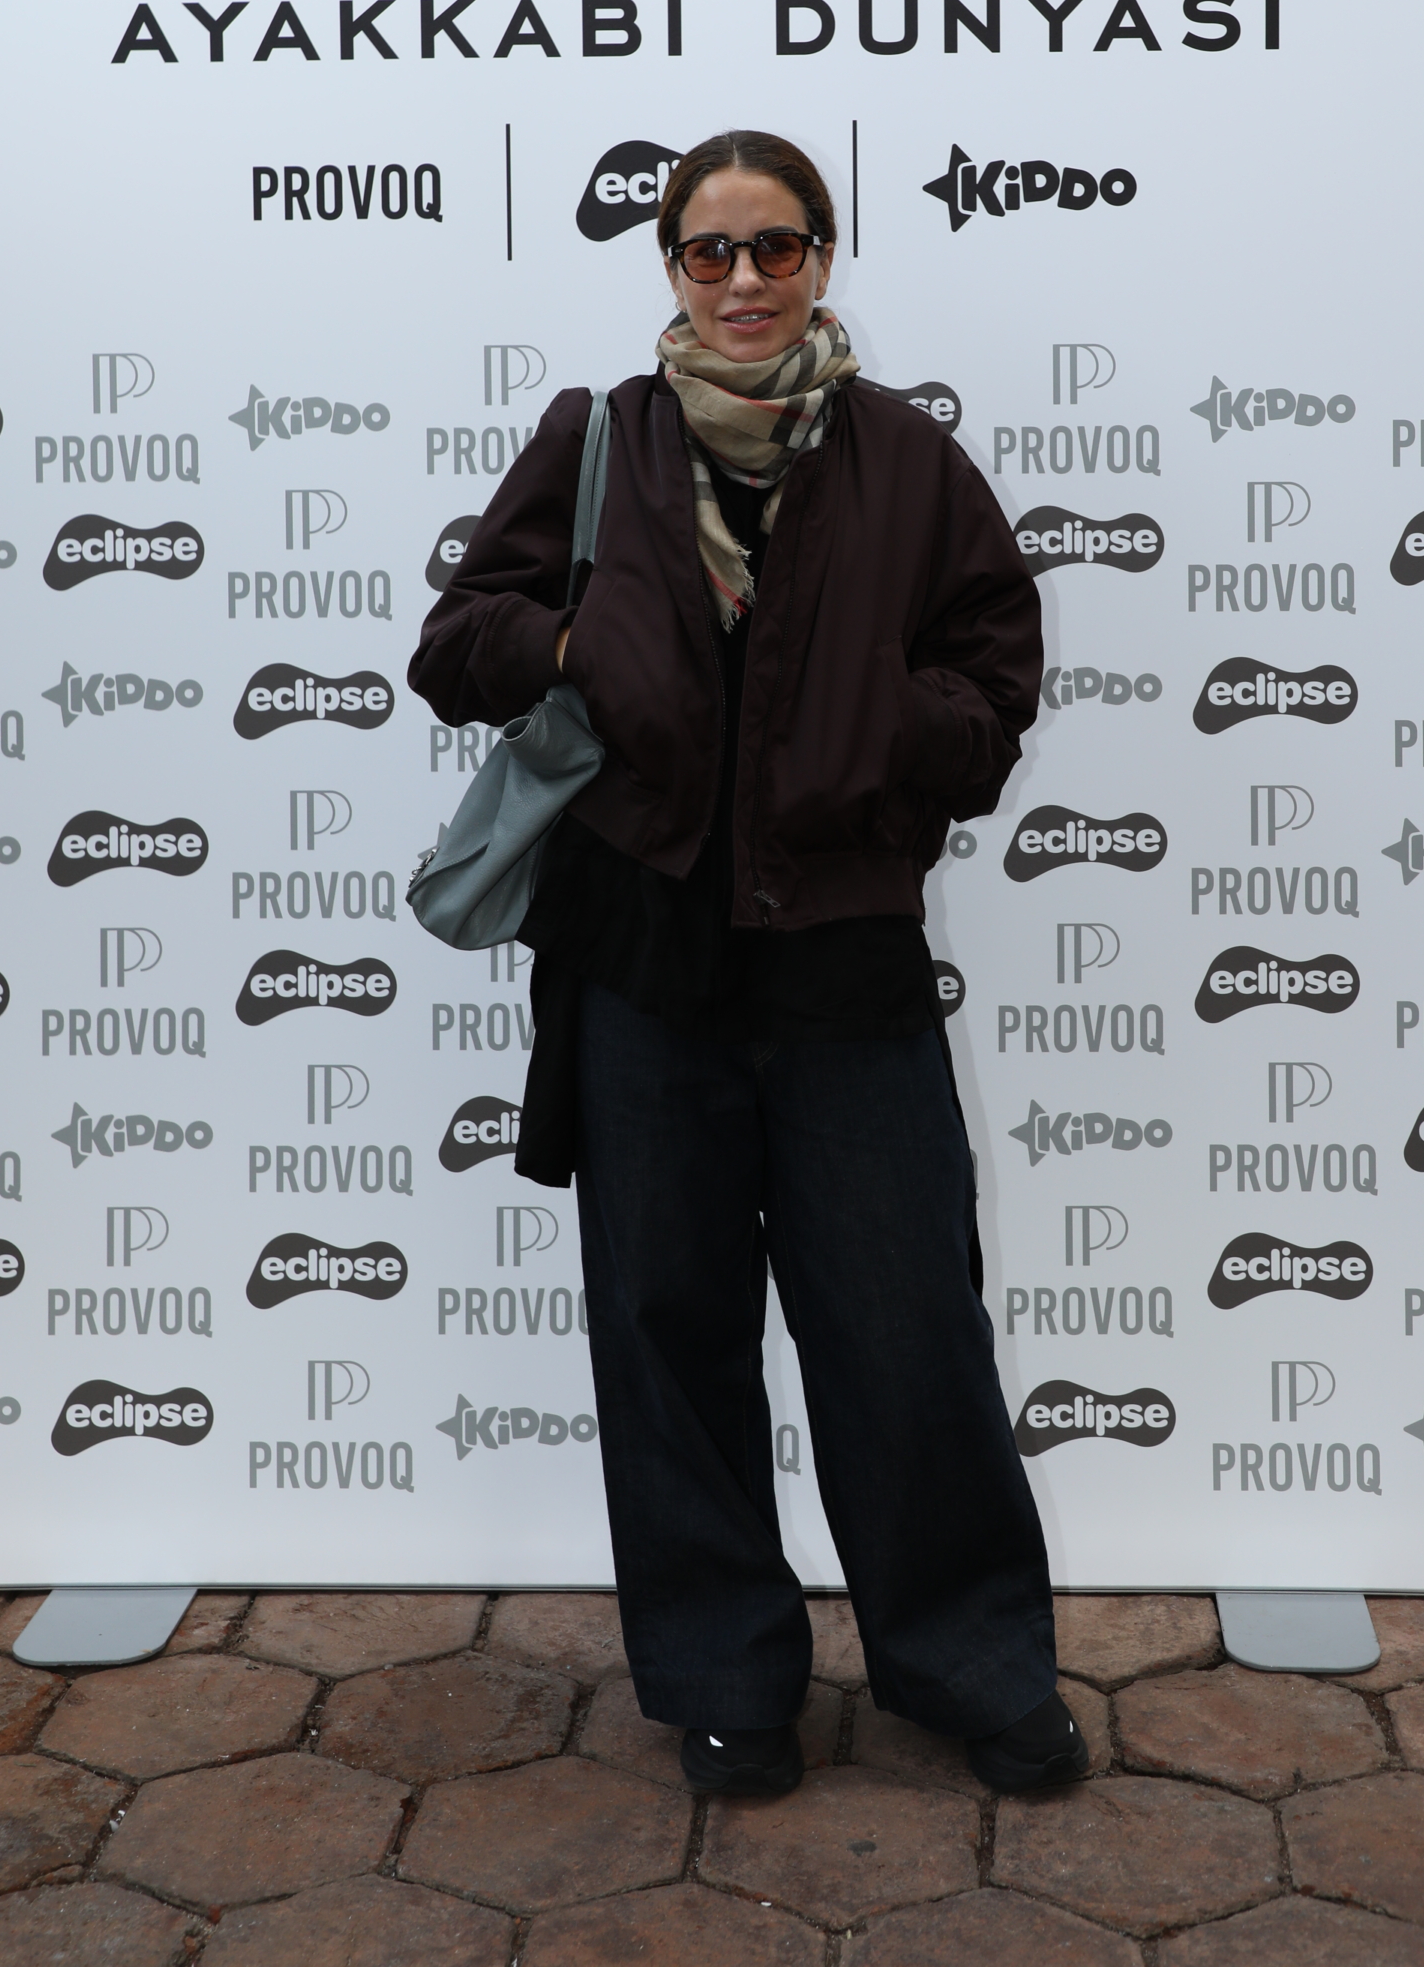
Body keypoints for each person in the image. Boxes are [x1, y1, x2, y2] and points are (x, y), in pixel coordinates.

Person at [408, 127, 1086, 1799]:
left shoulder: (909, 461)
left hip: (845, 963)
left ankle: (972, 1665)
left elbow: (995, 682)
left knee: (907, 1330)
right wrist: (577, 637)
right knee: (670, 1329)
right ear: (672, 268)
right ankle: (726, 1676)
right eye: (707, 251)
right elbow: (457, 646)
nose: (742, 280)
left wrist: (883, 725)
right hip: (643, 964)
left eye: (774, 246)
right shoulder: (601, 438)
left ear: (823, 258)